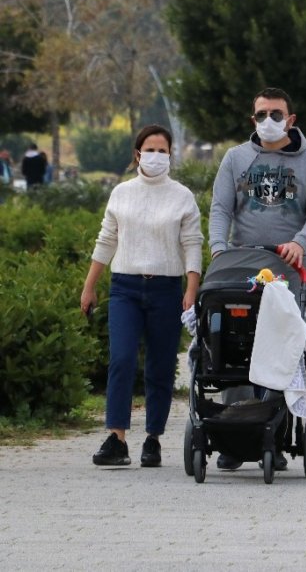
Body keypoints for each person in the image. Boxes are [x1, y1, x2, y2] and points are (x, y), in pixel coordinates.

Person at [209, 87, 306, 470]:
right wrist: (217, 249)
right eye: (261, 114)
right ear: (253, 119)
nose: (268, 121)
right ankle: (232, 438)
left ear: (291, 120)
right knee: (234, 348)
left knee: (279, 352)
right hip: (243, 263)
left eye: (276, 113)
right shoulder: (236, 158)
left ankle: (272, 437)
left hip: (290, 268)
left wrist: (300, 242)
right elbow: (220, 208)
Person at [81, 124, 203, 468]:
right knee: (121, 359)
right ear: (138, 153)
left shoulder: (182, 196)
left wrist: (191, 288)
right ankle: (117, 438)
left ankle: (153, 438)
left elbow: (192, 243)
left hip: (167, 288)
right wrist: (90, 286)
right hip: (125, 287)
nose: (156, 155)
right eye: (149, 149)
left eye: (162, 150)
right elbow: (106, 240)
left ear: (170, 155)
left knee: (161, 366)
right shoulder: (121, 193)